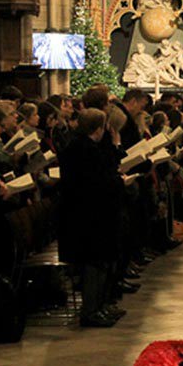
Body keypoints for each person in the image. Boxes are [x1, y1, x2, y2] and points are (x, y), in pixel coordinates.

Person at [58, 109, 124, 327]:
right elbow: (101, 180)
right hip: (88, 216)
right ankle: (91, 311)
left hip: (90, 213)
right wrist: (121, 180)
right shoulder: (84, 149)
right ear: (99, 128)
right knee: (94, 264)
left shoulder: (82, 146)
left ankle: (100, 307)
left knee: (101, 262)